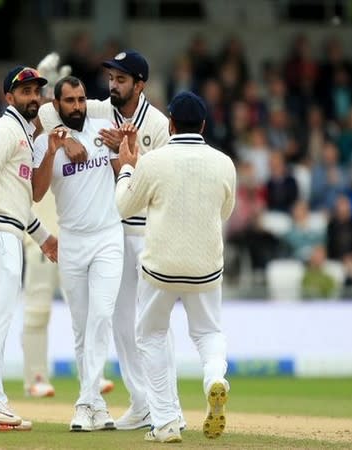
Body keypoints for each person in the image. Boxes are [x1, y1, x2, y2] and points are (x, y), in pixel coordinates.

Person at [37, 49, 184, 430]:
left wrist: (130, 154)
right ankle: (140, 403)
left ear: (139, 84)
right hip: (114, 232)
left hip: (149, 232)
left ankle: (170, 408)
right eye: (111, 79)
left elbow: (168, 178)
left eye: (121, 80)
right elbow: (52, 113)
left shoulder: (158, 123)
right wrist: (67, 136)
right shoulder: (99, 112)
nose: (112, 86)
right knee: (118, 324)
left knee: (154, 324)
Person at [115, 91, 236, 443]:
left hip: (160, 269)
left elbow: (124, 207)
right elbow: (225, 211)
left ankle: (165, 421)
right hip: (206, 268)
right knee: (209, 334)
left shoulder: (152, 162)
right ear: (202, 124)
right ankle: (214, 377)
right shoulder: (223, 162)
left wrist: (126, 167)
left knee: (150, 336)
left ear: (169, 124)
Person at [0, 65, 58, 432]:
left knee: (0, 313)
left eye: (37, 92)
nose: (33, 98)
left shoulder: (24, 134)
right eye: (25, 92)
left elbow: (22, 200)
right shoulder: (4, 130)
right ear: (9, 97)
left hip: (9, 231)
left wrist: (44, 237)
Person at [32, 75, 123, 431]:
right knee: (82, 328)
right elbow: (38, 195)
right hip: (72, 242)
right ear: (56, 106)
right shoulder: (45, 144)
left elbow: (127, 173)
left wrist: (122, 149)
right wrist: (56, 147)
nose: (77, 106)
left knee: (102, 316)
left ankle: (84, 403)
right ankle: (96, 406)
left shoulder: (104, 128)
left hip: (107, 237)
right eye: (69, 101)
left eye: (81, 99)